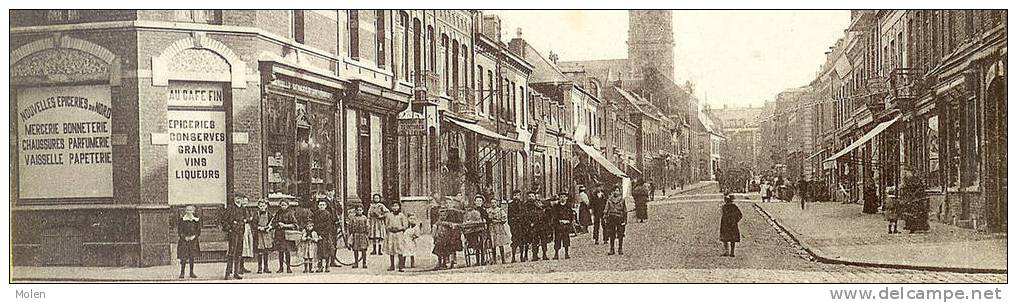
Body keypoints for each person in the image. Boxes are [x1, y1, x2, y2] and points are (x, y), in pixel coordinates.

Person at [221, 194, 249, 280]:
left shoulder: (243, 209)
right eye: (237, 198)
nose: (238, 200)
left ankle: (236, 273)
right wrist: (229, 229)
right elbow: (223, 220)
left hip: (241, 232)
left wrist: (245, 220)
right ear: (234, 199)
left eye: (240, 198)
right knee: (231, 252)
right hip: (233, 233)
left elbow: (247, 218)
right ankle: (227, 273)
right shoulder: (230, 208)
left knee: (239, 252)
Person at [432, 197, 464, 269]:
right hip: (445, 232)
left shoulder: (456, 212)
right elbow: (439, 221)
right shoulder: (443, 212)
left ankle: (451, 260)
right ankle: (442, 262)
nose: (448, 204)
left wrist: (454, 225)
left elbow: (460, 223)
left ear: (453, 203)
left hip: (454, 231)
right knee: (440, 242)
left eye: (450, 203)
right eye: (447, 203)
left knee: (451, 243)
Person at [272, 198, 299, 273]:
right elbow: (273, 223)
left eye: (284, 205)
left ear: (287, 205)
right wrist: (278, 224)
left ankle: (288, 267)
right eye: (282, 205)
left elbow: (295, 224)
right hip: (279, 235)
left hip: (287, 235)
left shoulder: (290, 213)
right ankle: (280, 268)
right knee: (280, 252)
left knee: (287, 252)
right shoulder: (278, 213)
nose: (283, 206)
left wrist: (285, 225)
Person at [462, 195, 489, 266]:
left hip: (482, 229)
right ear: (475, 202)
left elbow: (487, 219)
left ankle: (482, 260)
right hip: (473, 229)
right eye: (477, 201)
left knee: (481, 242)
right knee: (474, 240)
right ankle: (477, 261)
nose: (479, 202)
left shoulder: (484, 210)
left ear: (482, 202)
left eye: (480, 201)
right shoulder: (472, 210)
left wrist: (485, 222)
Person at [384, 201, 410, 272]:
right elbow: (386, 224)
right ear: (391, 207)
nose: (395, 208)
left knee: (400, 249)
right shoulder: (389, 215)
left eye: (396, 206)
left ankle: (400, 266)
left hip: (399, 234)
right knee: (391, 249)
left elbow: (405, 225)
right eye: (393, 206)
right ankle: (392, 266)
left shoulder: (401, 215)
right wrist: (390, 228)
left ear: (399, 207)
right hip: (391, 234)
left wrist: (400, 228)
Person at [176, 205, 201, 279]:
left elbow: (198, 231)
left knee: (191, 257)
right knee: (183, 257)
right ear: (185, 211)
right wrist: (184, 237)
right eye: (187, 210)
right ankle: (182, 272)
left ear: (193, 211)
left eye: (190, 210)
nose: (189, 212)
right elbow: (179, 231)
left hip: (193, 241)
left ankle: (191, 272)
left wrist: (194, 236)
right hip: (184, 241)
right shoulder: (182, 220)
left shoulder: (196, 220)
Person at [312, 200, 336, 272]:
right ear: (318, 206)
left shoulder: (328, 214)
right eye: (320, 205)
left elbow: (328, 225)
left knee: (327, 250)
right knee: (319, 251)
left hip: (326, 235)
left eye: (323, 205)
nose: (321, 206)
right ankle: (320, 266)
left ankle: (327, 265)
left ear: (325, 206)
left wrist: (323, 234)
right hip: (318, 235)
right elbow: (314, 224)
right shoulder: (316, 214)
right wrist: (316, 233)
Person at [603, 185, 627, 255]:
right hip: (612, 218)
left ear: (619, 192)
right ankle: (612, 249)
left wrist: (625, 220)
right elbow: (606, 209)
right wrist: (605, 216)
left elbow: (625, 210)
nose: (616, 192)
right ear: (612, 192)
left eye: (617, 191)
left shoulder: (622, 200)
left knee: (620, 234)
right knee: (612, 234)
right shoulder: (609, 200)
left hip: (620, 218)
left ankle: (620, 248)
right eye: (615, 191)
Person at [252, 199, 274, 274]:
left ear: (266, 206)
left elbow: (272, 223)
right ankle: (259, 268)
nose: (262, 207)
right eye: (260, 206)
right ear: (258, 206)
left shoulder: (269, 214)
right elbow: (253, 224)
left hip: (266, 235)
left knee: (266, 252)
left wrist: (269, 227)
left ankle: (266, 267)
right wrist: (258, 227)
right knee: (260, 252)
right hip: (259, 235)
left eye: (263, 206)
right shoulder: (256, 214)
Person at [486, 197, 510, 264]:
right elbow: (487, 219)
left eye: (494, 202)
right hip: (492, 228)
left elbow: (504, 219)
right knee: (493, 244)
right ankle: (494, 260)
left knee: (500, 243)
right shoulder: (488, 210)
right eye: (492, 203)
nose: (493, 204)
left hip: (499, 228)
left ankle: (503, 259)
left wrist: (499, 220)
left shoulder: (500, 210)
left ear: (497, 203)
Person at [551, 192, 575, 259]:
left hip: (566, 226)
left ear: (566, 198)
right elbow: (554, 215)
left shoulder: (568, 206)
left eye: (564, 197)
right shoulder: (556, 206)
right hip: (558, 225)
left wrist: (569, 221)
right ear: (559, 198)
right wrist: (558, 221)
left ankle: (566, 253)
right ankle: (556, 254)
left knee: (566, 239)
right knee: (557, 239)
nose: (562, 198)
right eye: (561, 197)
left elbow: (571, 215)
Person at [507, 190, 528, 262]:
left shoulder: (523, 204)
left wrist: (524, 224)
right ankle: (513, 257)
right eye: (515, 195)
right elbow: (509, 216)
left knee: (522, 241)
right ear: (513, 196)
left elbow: (525, 215)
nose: (516, 197)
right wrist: (512, 225)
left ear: (520, 196)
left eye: (518, 195)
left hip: (521, 225)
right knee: (514, 241)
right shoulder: (510, 205)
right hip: (514, 226)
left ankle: (522, 256)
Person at [529, 196, 551, 261]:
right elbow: (530, 217)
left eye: (539, 202)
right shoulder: (533, 210)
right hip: (535, 227)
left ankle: (544, 254)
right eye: (537, 202)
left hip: (543, 227)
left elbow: (547, 218)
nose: (538, 204)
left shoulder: (544, 210)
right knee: (535, 241)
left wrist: (547, 225)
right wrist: (532, 223)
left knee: (544, 241)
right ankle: (535, 255)